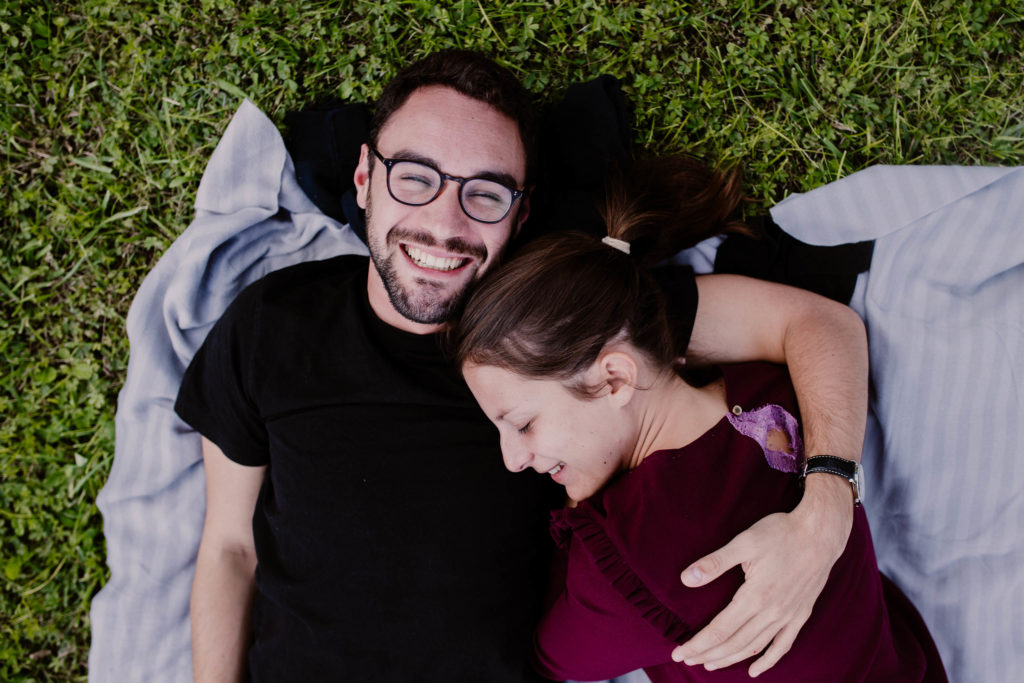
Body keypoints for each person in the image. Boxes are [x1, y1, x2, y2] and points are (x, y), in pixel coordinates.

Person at [171, 50, 867, 681]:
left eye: (485, 192)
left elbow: (819, 325)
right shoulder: (274, 323)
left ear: (521, 212)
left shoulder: (564, 322)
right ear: (363, 177)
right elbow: (230, 547)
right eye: (415, 177)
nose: (445, 225)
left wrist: (827, 505)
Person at [454, 155, 947, 682]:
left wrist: (577, 505)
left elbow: (554, 658)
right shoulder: (773, 388)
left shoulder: (624, 560)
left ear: (615, 379)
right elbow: (811, 330)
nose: (511, 459)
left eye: (524, 424)